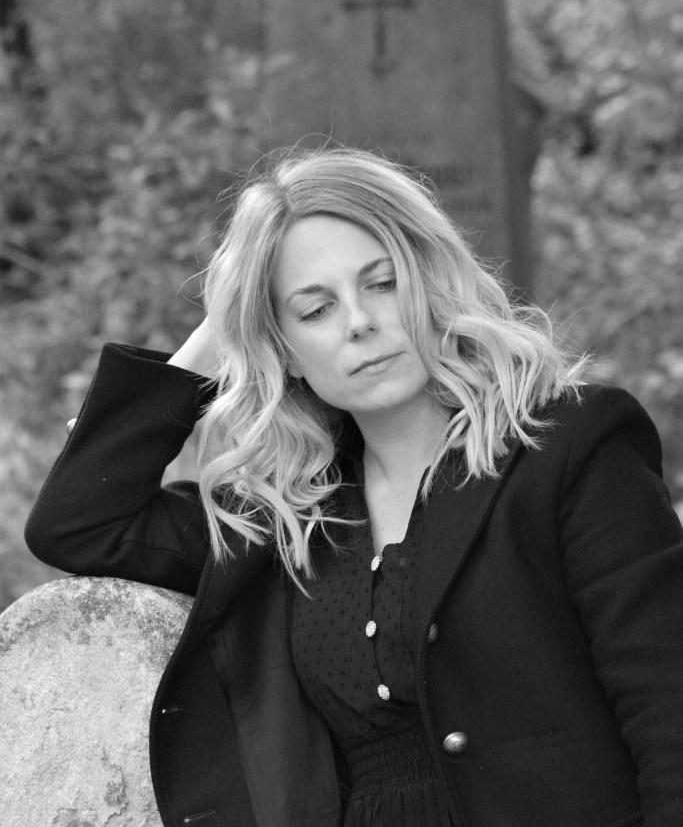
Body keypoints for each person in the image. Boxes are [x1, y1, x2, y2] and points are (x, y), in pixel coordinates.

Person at [25, 147, 683, 827]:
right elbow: (78, 522)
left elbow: (667, 705)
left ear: (428, 282)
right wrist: (220, 330)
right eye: (315, 310)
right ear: (284, 350)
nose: (359, 322)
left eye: (382, 283)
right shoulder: (287, 518)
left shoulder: (566, 448)